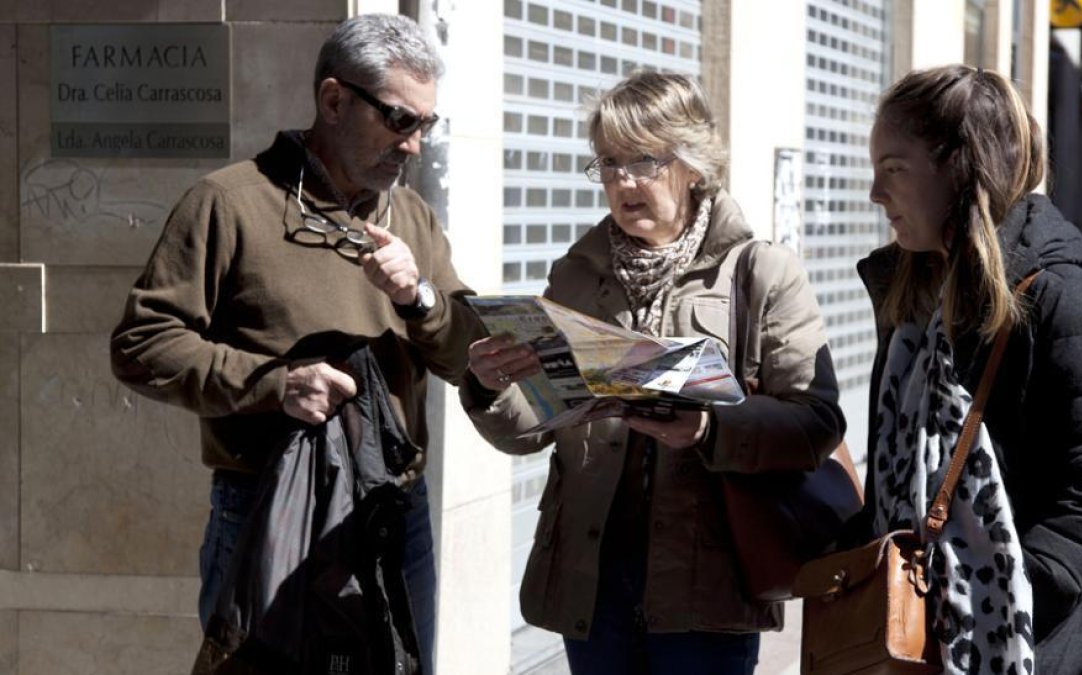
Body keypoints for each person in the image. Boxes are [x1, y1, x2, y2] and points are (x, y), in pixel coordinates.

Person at [110, 14, 483, 671]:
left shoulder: (413, 217)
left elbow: (470, 358)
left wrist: (416, 298)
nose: (415, 146)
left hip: (395, 513)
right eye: (401, 120)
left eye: (425, 125)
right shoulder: (227, 204)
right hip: (267, 507)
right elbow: (141, 344)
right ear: (334, 100)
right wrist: (275, 384)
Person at [460, 71, 845, 675]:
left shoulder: (762, 271)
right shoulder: (575, 275)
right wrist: (489, 386)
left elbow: (815, 422)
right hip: (593, 579)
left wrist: (707, 431)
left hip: (706, 580)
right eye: (608, 163)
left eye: (642, 160)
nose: (622, 182)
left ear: (692, 162)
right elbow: (532, 427)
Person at [858, 64, 1082, 674]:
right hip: (911, 642)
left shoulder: (1065, 302)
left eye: (893, 169)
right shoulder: (911, 301)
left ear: (959, 168)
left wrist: (1003, 597)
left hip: (1029, 650)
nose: (875, 193)